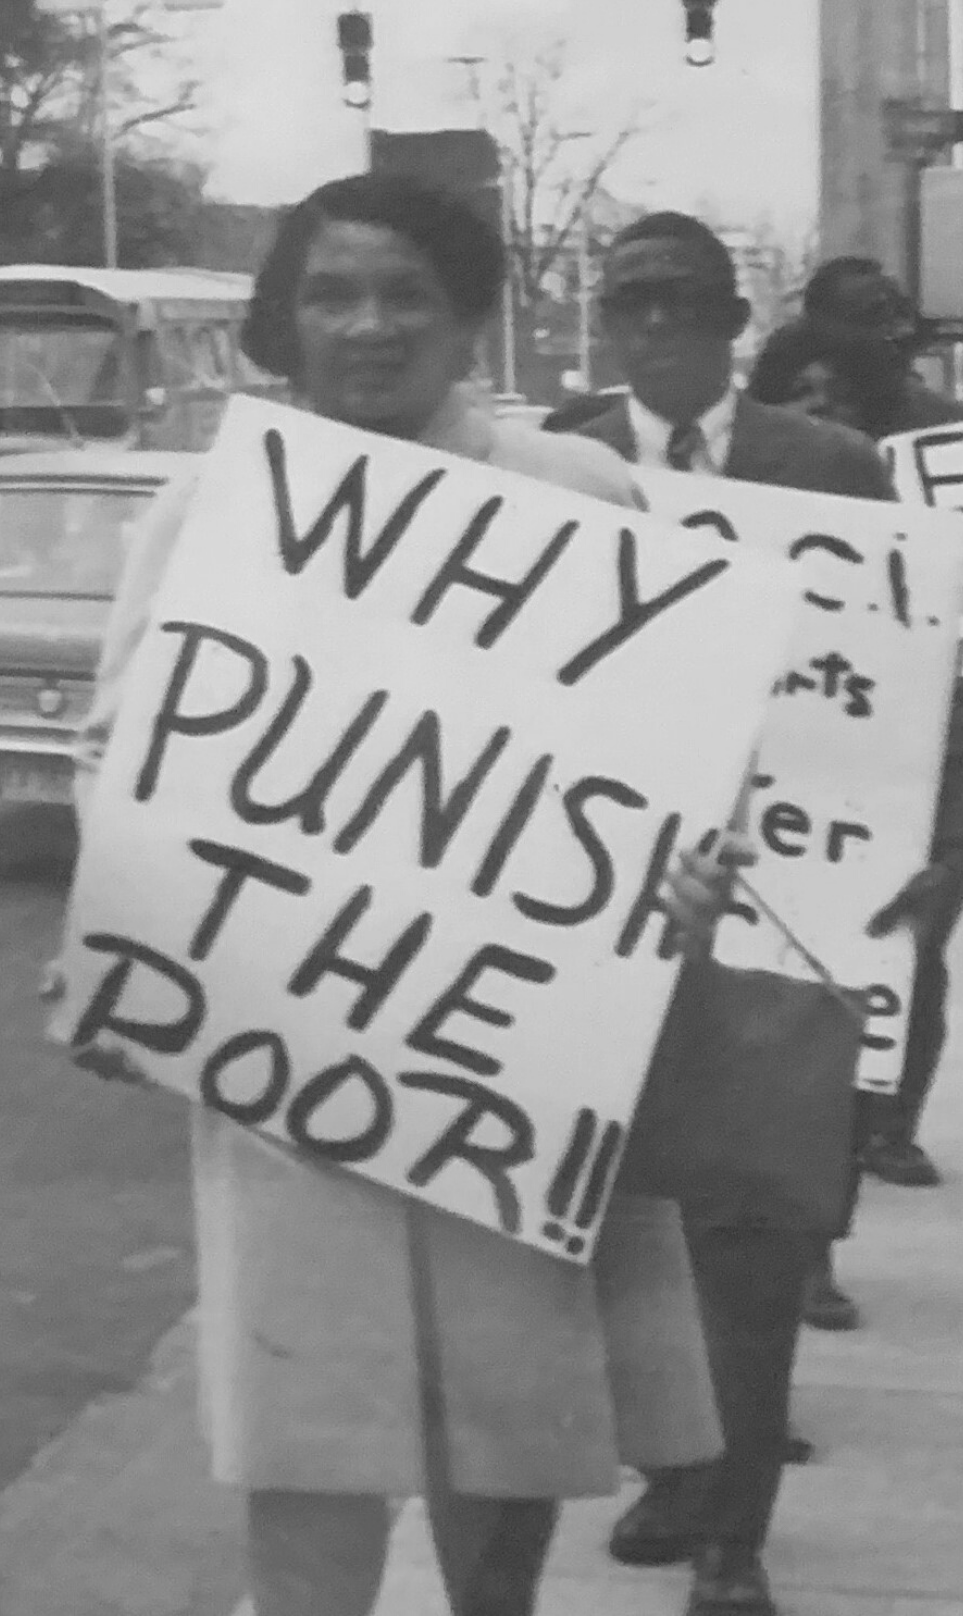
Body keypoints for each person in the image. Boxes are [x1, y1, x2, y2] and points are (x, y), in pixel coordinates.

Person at [58, 175, 740, 1616]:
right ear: (284, 322)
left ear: (467, 318)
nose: (369, 327)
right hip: (290, 1053)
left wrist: (686, 874)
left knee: (512, 1419)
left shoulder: (577, 495)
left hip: (516, 1057)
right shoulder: (215, 509)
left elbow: (683, 764)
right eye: (332, 294)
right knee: (306, 1422)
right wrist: (140, 917)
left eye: (405, 297)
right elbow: (124, 748)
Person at [547, 214, 963, 1616]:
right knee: (622, 1233)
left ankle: (736, 1533)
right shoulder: (554, 462)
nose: (657, 327)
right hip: (594, 913)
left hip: (784, 911)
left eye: (683, 303)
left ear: (734, 321)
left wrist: (950, 836)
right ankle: (674, 1477)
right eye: (631, 304)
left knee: (752, 1235)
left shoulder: (834, 470)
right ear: (604, 325)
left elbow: (925, 667)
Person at [746, 318, 963, 1191]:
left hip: (883, 807)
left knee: (899, 975)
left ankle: (885, 1133)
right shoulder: (737, 515)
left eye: (840, 397)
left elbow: (945, 687)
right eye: (803, 397)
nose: (823, 414)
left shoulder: (912, 533)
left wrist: (958, 832)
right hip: (769, 812)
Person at [800, 256, 963, 436]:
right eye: (875, 317)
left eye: (903, 313)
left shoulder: (955, 429)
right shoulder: (790, 430)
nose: (905, 331)